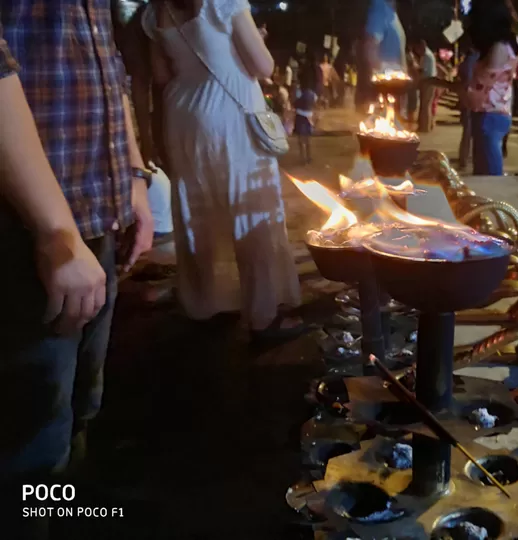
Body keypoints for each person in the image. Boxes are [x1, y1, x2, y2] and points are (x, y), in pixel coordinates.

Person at [0, 0, 154, 532]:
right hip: (23, 228)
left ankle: (66, 505)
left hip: (91, 218)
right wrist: (54, 232)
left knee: (78, 403)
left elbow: (102, 56)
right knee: (28, 436)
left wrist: (133, 175)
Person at [143, 0, 303, 340]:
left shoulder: (156, 11)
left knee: (197, 211)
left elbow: (161, 76)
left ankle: (205, 302)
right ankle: (262, 315)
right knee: (250, 209)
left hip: (183, 117)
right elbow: (263, 65)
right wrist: (254, 38)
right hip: (230, 116)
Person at [466, 0, 518, 175]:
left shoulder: (498, 49)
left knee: (490, 179)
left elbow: (477, 95)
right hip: (499, 114)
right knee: (486, 174)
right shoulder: (513, 43)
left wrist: (439, 83)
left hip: (488, 116)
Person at [293, 82, 318, 163]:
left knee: (300, 138)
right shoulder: (313, 94)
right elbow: (315, 104)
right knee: (308, 138)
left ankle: (302, 157)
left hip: (300, 116)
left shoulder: (299, 92)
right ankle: (308, 157)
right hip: (309, 117)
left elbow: (295, 103)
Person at [416, 39, 437, 132]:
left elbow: (423, 70)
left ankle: (425, 127)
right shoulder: (428, 54)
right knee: (426, 105)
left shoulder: (427, 56)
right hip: (429, 81)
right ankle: (424, 125)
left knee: (425, 105)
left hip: (428, 81)